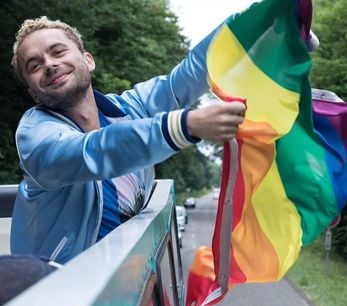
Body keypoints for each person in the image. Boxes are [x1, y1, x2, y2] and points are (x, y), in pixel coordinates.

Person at [10, 16, 246, 263]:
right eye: (34, 66)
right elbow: (94, 152)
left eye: (58, 51)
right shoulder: (35, 134)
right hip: (64, 293)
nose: (49, 64)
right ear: (33, 93)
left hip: (131, 287)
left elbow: (191, 72)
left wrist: (255, 19)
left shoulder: (129, 108)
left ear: (88, 60)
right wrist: (184, 126)